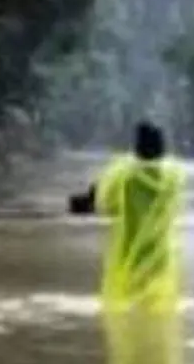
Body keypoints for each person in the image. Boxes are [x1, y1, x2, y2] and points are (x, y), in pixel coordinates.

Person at [68, 122, 186, 313]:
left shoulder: (124, 175)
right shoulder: (172, 176)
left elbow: (104, 202)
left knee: (128, 303)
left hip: (129, 248)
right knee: (155, 305)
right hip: (159, 251)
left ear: (137, 147)